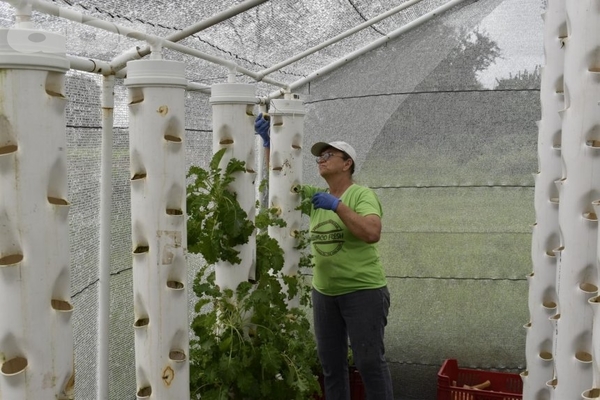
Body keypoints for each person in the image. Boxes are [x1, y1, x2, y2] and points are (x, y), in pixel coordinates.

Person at [255, 113, 393, 400]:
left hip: (363, 291)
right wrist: (271, 143)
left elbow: (371, 232)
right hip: (325, 294)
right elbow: (279, 185)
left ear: (347, 163)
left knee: (369, 362)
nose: (321, 159)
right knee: (331, 365)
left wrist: (338, 206)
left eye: (329, 155)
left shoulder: (360, 195)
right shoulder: (316, 197)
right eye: (319, 156)